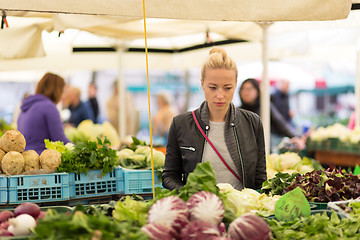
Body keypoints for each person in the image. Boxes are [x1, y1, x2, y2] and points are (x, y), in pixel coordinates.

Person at [162, 48, 267, 191]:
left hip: (242, 209)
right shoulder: (181, 124)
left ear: (236, 84)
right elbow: (169, 176)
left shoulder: (253, 123)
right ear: (202, 84)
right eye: (212, 87)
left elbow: (260, 178)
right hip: (199, 208)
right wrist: (189, 195)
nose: (220, 95)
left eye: (227, 88)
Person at [239, 78, 304, 150]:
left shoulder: (265, 107)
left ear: (257, 91)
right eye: (243, 89)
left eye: (249, 89)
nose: (246, 92)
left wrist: (297, 136)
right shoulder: (237, 111)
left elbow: (281, 123)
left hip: (265, 148)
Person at [17, 72, 70, 154]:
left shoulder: (27, 106)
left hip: (25, 158)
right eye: (62, 91)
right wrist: (78, 149)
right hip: (42, 160)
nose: (63, 96)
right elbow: (60, 139)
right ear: (57, 90)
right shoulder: (49, 107)